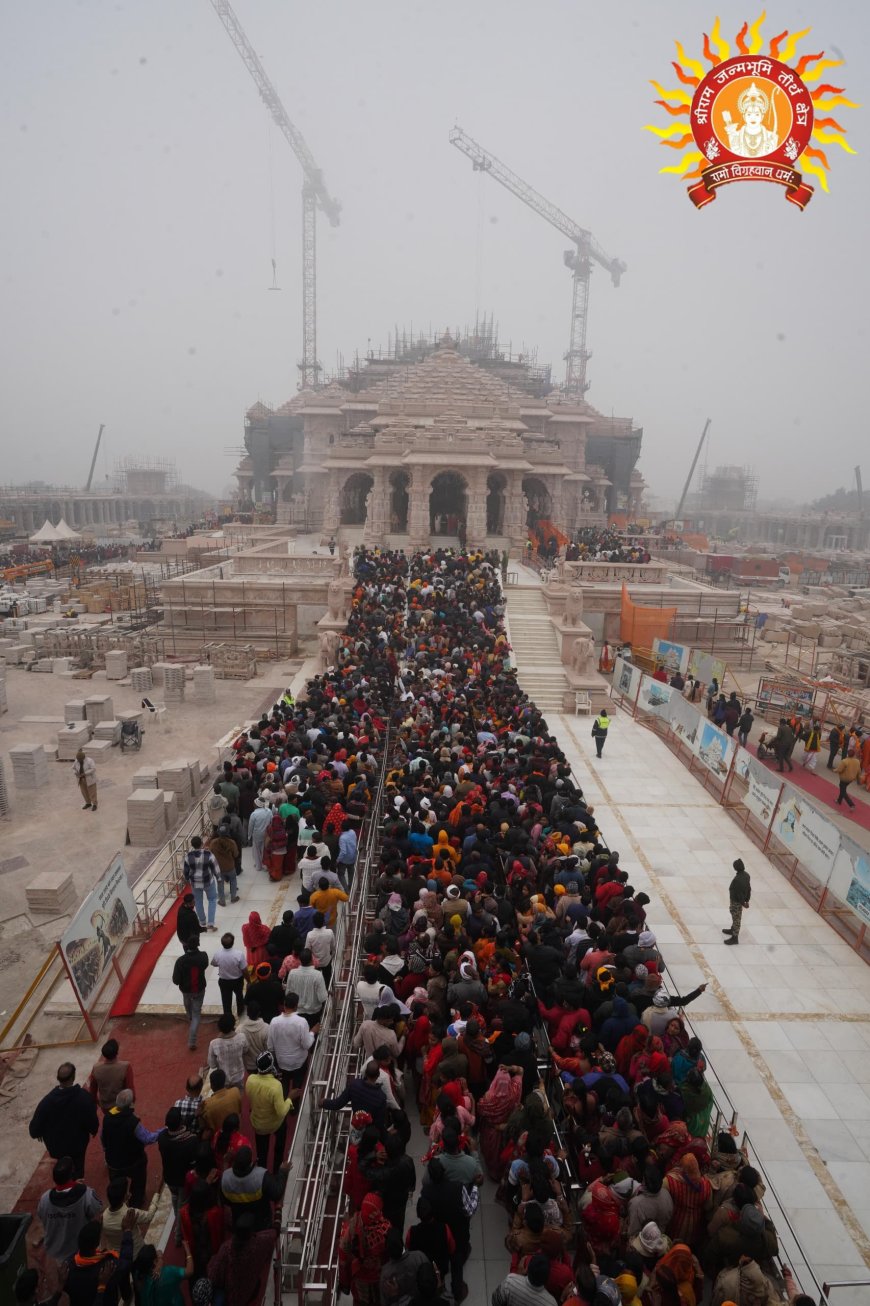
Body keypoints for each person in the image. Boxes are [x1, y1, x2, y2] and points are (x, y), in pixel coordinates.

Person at [29, 1062, 99, 1179]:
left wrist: (40, 1133)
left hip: (57, 1147)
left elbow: (34, 1131)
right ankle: (77, 1182)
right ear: (73, 1077)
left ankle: (64, 1182)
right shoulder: (83, 1097)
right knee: (78, 1167)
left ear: (58, 1078)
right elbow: (91, 1118)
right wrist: (93, 1129)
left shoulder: (46, 1102)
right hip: (78, 1145)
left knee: (63, 1168)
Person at [36, 1156, 103, 1270]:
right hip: (78, 1255)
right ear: (72, 1174)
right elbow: (97, 1210)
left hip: (54, 1255)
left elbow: (41, 1215)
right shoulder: (86, 1194)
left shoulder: (45, 1198)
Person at [101, 1089, 164, 1208]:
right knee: (139, 1180)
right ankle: (136, 1202)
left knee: (116, 1186)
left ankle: (117, 1204)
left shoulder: (107, 1118)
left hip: (113, 1162)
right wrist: (163, 1130)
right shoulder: (132, 1122)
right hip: (132, 1161)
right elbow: (148, 1138)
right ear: (131, 1104)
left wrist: (106, 1150)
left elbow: (102, 1137)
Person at [206, 1212, 278, 1306]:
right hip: (251, 1291)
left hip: (230, 1296)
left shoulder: (226, 1249)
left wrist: (212, 1260)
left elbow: (213, 1276)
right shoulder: (260, 1244)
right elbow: (274, 1233)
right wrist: (277, 1216)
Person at [157, 1107, 199, 1247]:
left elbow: (175, 1130)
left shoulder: (162, 1138)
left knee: (175, 1200)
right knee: (182, 1207)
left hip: (169, 1178)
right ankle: (178, 1235)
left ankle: (178, 1222)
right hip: (182, 1181)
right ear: (180, 1122)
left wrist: (192, 1117)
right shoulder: (191, 1141)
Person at [246, 1050, 293, 1171]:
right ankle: (277, 1169)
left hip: (258, 1124)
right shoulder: (276, 1086)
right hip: (275, 1124)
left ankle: (262, 1173)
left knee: (261, 1153)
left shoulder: (250, 1079)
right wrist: (289, 1099)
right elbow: (281, 1112)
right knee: (279, 1146)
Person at [267, 991, 316, 1097]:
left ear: (284, 1005)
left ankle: (284, 1101)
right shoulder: (301, 1022)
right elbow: (307, 1045)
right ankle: (295, 1104)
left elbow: (270, 1046)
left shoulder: (274, 1022)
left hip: (282, 1062)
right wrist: (312, 1032)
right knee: (297, 1088)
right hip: (299, 1063)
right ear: (296, 1006)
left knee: (283, 1086)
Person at [172, 937, 210, 1050]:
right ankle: (192, 1041)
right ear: (198, 944)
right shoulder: (203, 956)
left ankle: (190, 1018)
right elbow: (205, 965)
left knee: (188, 1008)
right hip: (199, 989)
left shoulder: (180, 961)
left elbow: (175, 980)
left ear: (186, 946)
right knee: (196, 1014)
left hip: (186, 991)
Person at [131, 1241, 194, 1306]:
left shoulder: (139, 1276)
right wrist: (187, 1250)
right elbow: (189, 1271)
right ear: (155, 1261)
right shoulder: (168, 1272)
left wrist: (160, 1260)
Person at [86, 1039, 135, 1114]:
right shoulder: (126, 1067)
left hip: (106, 1107)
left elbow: (92, 1090)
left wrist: (98, 1102)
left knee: (110, 1119)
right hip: (121, 1106)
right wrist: (132, 1105)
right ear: (117, 1052)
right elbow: (130, 1089)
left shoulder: (96, 1068)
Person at [491, 1254, 557, 1306]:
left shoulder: (510, 1282)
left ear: (527, 1269)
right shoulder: (551, 1303)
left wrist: (517, 1276)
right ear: (547, 1278)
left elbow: (495, 1302)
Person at [284, 947, 328, 1025]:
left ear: (300, 960)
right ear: (311, 960)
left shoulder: (292, 973)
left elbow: (288, 993)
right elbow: (322, 998)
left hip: (297, 1012)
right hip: (313, 1013)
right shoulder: (317, 975)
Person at [184, 836, 220, 932]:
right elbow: (215, 867)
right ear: (201, 844)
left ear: (192, 845)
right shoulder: (208, 854)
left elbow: (186, 871)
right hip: (208, 881)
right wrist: (219, 877)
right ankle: (211, 923)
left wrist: (187, 879)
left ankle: (202, 921)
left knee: (198, 901)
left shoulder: (188, 856)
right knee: (212, 900)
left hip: (195, 883)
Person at [207, 1013, 248, 1090]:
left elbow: (212, 1065)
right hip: (239, 1076)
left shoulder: (214, 1043)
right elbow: (246, 1050)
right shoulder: (242, 1037)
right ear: (233, 1025)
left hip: (224, 1079)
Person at [212, 932, 247, 1018]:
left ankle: (228, 1019)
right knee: (239, 996)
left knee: (226, 1001)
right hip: (237, 981)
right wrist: (248, 980)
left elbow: (213, 963)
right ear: (233, 942)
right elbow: (244, 969)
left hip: (224, 981)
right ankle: (240, 1013)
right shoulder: (239, 954)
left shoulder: (217, 954)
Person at [208, 825, 240, 906]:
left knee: (220, 883)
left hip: (218, 868)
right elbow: (236, 854)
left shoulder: (213, 843)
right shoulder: (232, 842)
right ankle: (233, 897)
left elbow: (210, 854)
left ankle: (222, 901)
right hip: (230, 866)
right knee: (233, 880)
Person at [723, 857, 751, 946]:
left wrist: (743, 903)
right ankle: (733, 930)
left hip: (736, 901)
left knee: (736, 918)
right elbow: (749, 888)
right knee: (735, 915)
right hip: (739, 900)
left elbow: (739, 894)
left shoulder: (737, 880)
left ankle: (735, 938)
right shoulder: (746, 875)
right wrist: (747, 900)